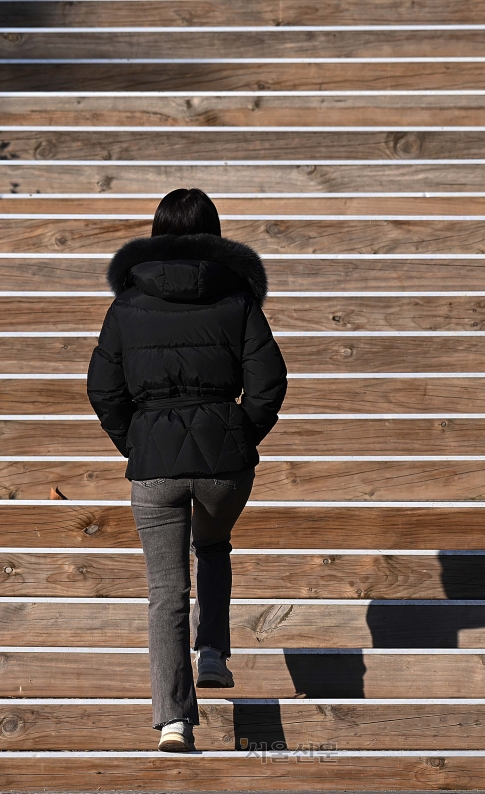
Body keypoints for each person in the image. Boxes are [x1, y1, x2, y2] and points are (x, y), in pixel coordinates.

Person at [86, 188, 288, 752]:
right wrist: (238, 434)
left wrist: (138, 442)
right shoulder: (239, 299)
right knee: (215, 545)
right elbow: (269, 382)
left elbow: (102, 388)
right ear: (214, 236)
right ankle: (214, 653)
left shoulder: (126, 305)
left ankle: (173, 722)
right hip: (224, 463)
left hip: (154, 463)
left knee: (165, 593)